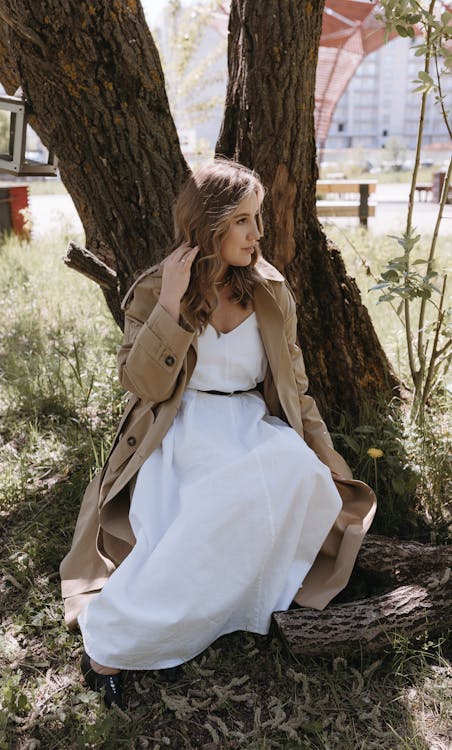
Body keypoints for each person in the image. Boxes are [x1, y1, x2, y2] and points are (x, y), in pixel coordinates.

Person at [60, 159, 376, 708]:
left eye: (258, 220)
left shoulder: (271, 293)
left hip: (251, 424)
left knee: (299, 472)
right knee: (203, 507)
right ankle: (111, 641)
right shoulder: (157, 288)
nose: (258, 235)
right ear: (210, 225)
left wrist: (327, 454)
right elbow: (141, 384)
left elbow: (297, 391)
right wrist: (169, 306)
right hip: (180, 428)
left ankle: (222, 612)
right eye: (244, 222)